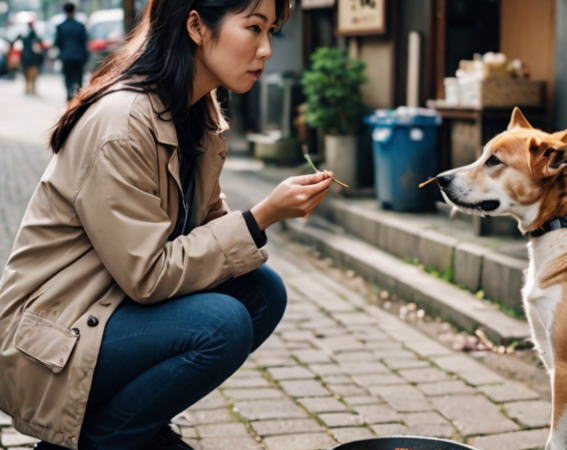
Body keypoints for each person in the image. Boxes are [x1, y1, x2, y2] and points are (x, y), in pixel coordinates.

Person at [0, 0, 332, 448]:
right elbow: (149, 276)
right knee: (222, 324)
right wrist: (263, 215)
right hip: (48, 342)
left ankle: (130, 427)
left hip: (108, 310)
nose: (267, 49)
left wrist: (258, 220)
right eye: (254, 28)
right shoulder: (122, 122)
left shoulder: (198, 112)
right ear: (196, 25)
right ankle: (106, 440)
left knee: (261, 291)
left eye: (272, 31)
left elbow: (205, 233)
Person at [55, 2, 89, 101]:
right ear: (74, 11)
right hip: (79, 55)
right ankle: (78, 93)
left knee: (67, 76)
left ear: (64, 11)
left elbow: (57, 42)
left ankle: (69, 92)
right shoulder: (80, 26)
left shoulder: (60, 26)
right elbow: (84, 41)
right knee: (79, 75)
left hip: (66, 56)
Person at [17, 20, 45, 94]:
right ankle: (31, 86)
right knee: (33, 71)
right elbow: (41, 42)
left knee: (26, 70)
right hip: (33, 56)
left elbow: (15, 41)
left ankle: (28, 86)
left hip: (26, 55)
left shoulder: (23, 34)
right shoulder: (35, 34)